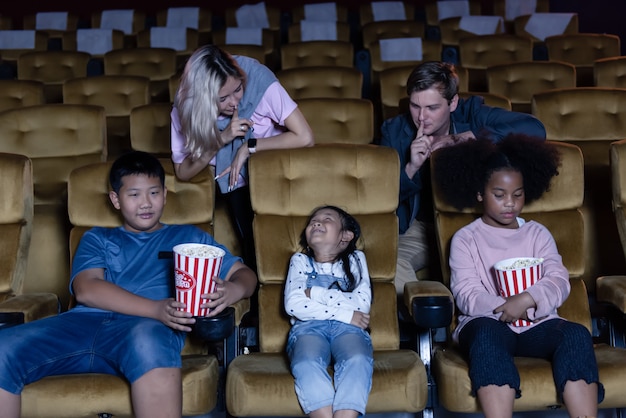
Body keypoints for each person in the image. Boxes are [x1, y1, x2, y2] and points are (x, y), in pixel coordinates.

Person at [0, 151, 257, 418]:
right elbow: (87, 289)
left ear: (166, 195)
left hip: (145, 331)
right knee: (2, 347)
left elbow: (245, 275)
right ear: (116, 199)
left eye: (154, 193)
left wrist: (233, 290)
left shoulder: (189, 236)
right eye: (134, 195)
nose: (145, 203)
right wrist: (156, 308)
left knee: (148, 340)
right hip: (83, 324)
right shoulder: (97, 238)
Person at [433, 134, 604, 418]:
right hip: (488, 322)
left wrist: (527, 299)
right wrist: (506, 308)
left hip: (538, 324)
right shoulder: (466, 238)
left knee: (575, 333)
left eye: (518, 194)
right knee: (486, 335)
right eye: (499, 195)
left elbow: (558, 279)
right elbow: (466, 292)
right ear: (479, 193)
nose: (510, 203)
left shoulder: (537, 233)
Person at [379, 61, 547, 295]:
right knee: (385, 262)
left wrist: (468, 137)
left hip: (474, 220)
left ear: (453, 103)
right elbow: (381, 196)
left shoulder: (472, 113)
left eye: (432, 108)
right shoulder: (394, 130)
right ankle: (434, 314)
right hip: (421, 227)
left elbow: (535, 128)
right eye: (415, 106)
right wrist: (411, 168)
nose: (421, 118)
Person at [171, 45, 314, 268]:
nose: (234, 102)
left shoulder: (259, 80)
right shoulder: (186, 102)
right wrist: (222, 139)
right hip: (233, 179)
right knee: (255, 250)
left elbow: (305, 137)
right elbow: (183, 171)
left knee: (293, 245)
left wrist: (248, 147)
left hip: (275, 167)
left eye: (238, 89)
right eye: (223, 98)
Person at [284, 205, 373, 418]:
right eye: (313, 220)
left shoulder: (356, 259)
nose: (316, 222)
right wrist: (345, 313)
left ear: (345, 236)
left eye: (327, 219)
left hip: (348, 329)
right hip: (309, 328)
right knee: (306, 361)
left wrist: (313, 292)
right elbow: (293, 305)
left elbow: (361, 304)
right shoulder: (300, 261)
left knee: (358, 359)